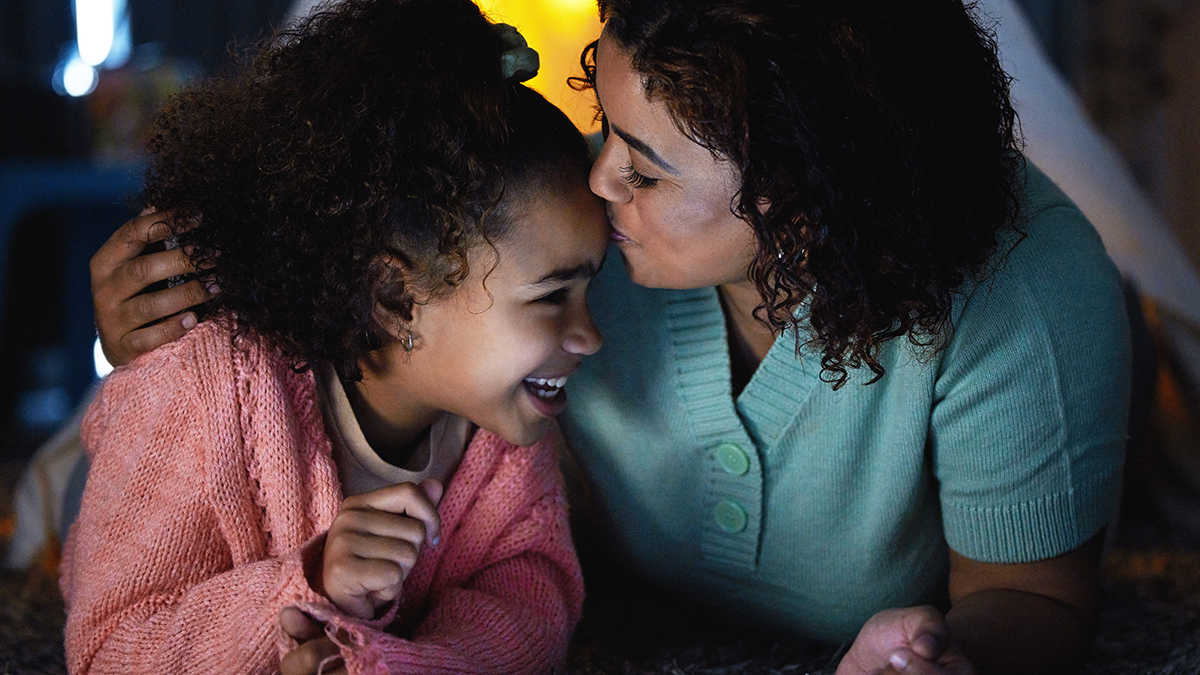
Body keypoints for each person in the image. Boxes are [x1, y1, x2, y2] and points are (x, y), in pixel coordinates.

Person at [88, 0, 1130, 674]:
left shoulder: (1026, 293)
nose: (597, 181)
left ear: (804, 201)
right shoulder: (535, 241)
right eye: (605, 124)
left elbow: (1029, 595)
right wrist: (163, 310)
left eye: (644, 163)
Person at [60, 0, 607, 673]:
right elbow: (110, 649)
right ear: (394, 296)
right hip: (116, 482)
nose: (590, 334)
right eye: (554, 295)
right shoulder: (194, 393)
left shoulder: (508, 425)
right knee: (54, 512)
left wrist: (387, 661)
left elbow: (529, 602)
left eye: (589, 290)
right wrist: (307, 584)